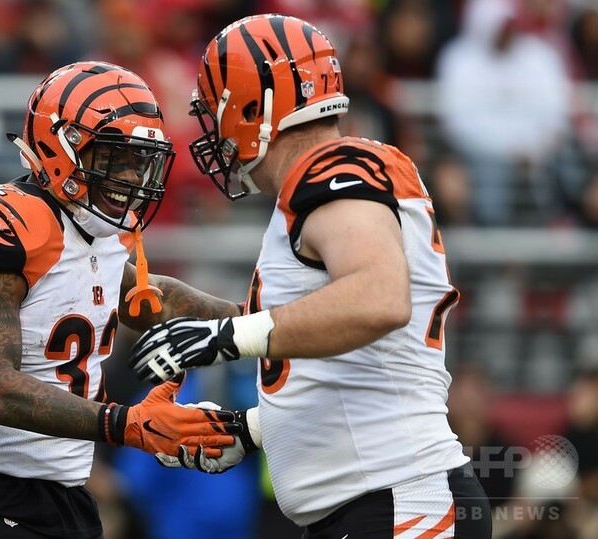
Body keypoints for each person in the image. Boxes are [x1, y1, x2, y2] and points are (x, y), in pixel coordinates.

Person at [129, 14, 493, 538]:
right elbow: (345, 359)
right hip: (376, 502)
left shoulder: (330, 170)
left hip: (398, 501)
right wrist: (252, 429)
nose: (213, 131)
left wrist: (226, 336)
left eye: (215, 110)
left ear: (253, 107)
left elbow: (379, 300)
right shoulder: (326, 181)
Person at [0, 61, 243, 539]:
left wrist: (260, 325)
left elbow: (149, 297)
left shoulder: (94, 233)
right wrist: (127, 424)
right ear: (61, 144)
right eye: (115, 156)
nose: (131, 175)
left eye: (140, 160)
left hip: (67, 494)